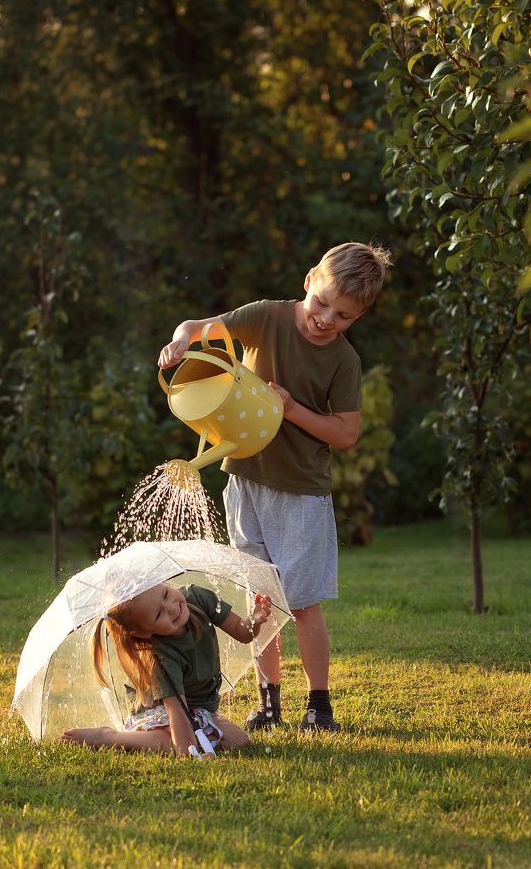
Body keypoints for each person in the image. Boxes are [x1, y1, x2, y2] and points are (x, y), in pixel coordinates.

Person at [158, 241, 392, 733]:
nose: (327, 319)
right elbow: (200, 328)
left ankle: (319, 706)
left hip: (301, 492)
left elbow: (346, 433)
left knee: (303, 603)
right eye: (322, 303)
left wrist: (291, 409)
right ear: (309, 280)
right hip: (244, 478)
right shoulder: (266, 317)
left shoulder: (343, 362)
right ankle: (269, 702)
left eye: (344, 316)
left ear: (360, 317)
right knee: (259, 597)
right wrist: (181, 341)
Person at [59, 582, 272, 757]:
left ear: (165, 583)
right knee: (167, 743)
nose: (171, 607)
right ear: (143, 633)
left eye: (165, 594)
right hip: (161, 710)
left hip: (197, 709)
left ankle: (190, 735)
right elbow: (176, 711)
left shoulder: (198, 598)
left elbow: (242, 633)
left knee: (239, 741)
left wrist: (254, 620)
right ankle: (109, 737)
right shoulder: (162, 658)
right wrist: (190, 754)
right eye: (159, 613)